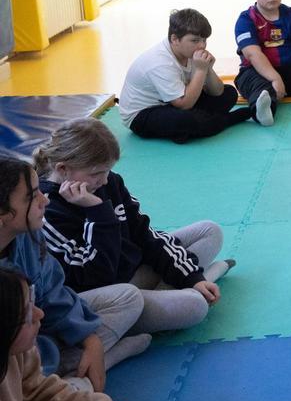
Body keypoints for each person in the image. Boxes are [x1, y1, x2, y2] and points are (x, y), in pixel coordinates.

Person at [36, 119, 234, 336]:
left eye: (108, 170)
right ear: (63, 169)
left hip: (134, 271)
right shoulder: (47, 210)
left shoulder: (109, 182)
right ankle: (166, 297)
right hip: (112, 295)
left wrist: (192, 278)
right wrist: (98, 213)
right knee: (195, 306)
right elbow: (95, 278)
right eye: (96, 173)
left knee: (209, 231)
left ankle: (174, 290)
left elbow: (144, 235)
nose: (104, 180)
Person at [0, 156, 146, 393]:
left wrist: (91, 340)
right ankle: (91, 366)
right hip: (23, 360)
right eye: (32, 196)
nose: (44, 199)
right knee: (78, 393)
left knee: (128, 298)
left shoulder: (28, 234)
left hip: (45, 333)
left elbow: (54, 291)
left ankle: (87, 361)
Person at [0, 269, 158, 401]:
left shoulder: (14, 349)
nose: (40, 313)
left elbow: (35, 390)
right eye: (27, 315)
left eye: (32, 301)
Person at [118, 8, 253, 143]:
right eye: (195, 40)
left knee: (229, 94)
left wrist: (208, 69)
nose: (202, 46)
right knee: (185, 120)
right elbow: (184, 105)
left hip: (172, 103)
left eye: (204, 40)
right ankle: (229, 119)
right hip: (143, 114)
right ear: (175, 39)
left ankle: (185, 131)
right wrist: (200, 70)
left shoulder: (187, 52)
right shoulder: (160, 62)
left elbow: (217, 91)